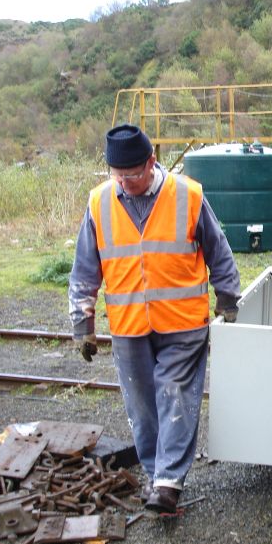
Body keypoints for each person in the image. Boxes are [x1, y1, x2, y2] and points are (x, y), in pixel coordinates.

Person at [68, 124, 240, 517]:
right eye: (118, 176)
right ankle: (154, 472)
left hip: (183, 321)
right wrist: (83, 323)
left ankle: (167, 483)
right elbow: (84, 269)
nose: (125, 183)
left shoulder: (187, 194)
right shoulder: (98, 203)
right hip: (129, 325)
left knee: (175, 394)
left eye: (133, 175)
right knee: (142, 406)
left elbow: (218, 248)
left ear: (152, 163)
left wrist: (227, 298)